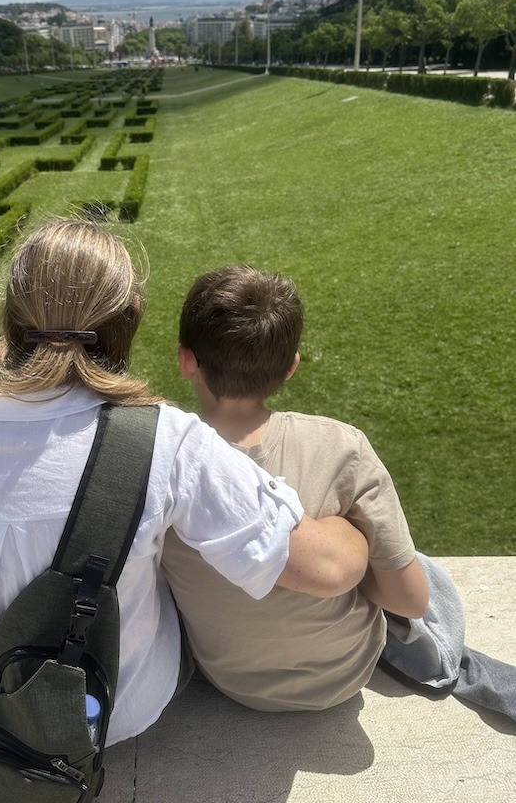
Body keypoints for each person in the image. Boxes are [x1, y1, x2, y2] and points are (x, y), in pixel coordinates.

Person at [0, 219, 368, 745]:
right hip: (112, 711)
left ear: (12, 317)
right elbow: (328, 569)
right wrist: (352, 528)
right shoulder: (165, 440)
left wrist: (36, 323)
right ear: (128, 319)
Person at [162, 265, 429, 712]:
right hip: (347, 671)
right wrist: (352, 550)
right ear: (291, 367)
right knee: (423, 573)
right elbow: (412, 599)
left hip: (228, 678)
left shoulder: (158, 460)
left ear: (186, 359)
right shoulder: (342, 447)